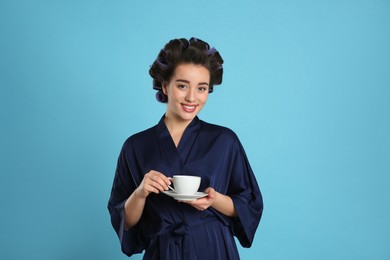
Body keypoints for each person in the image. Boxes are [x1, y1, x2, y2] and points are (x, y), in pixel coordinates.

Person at [108, 37, 263, 259]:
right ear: (165, 85)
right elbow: (124, 221)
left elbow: (250, 204)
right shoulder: (136, 146)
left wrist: (214, 199)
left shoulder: (225, 141)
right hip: (163, 250)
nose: (192, 97)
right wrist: (141, 192)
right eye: (182, 86)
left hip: (213, 247)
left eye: (201, 88)